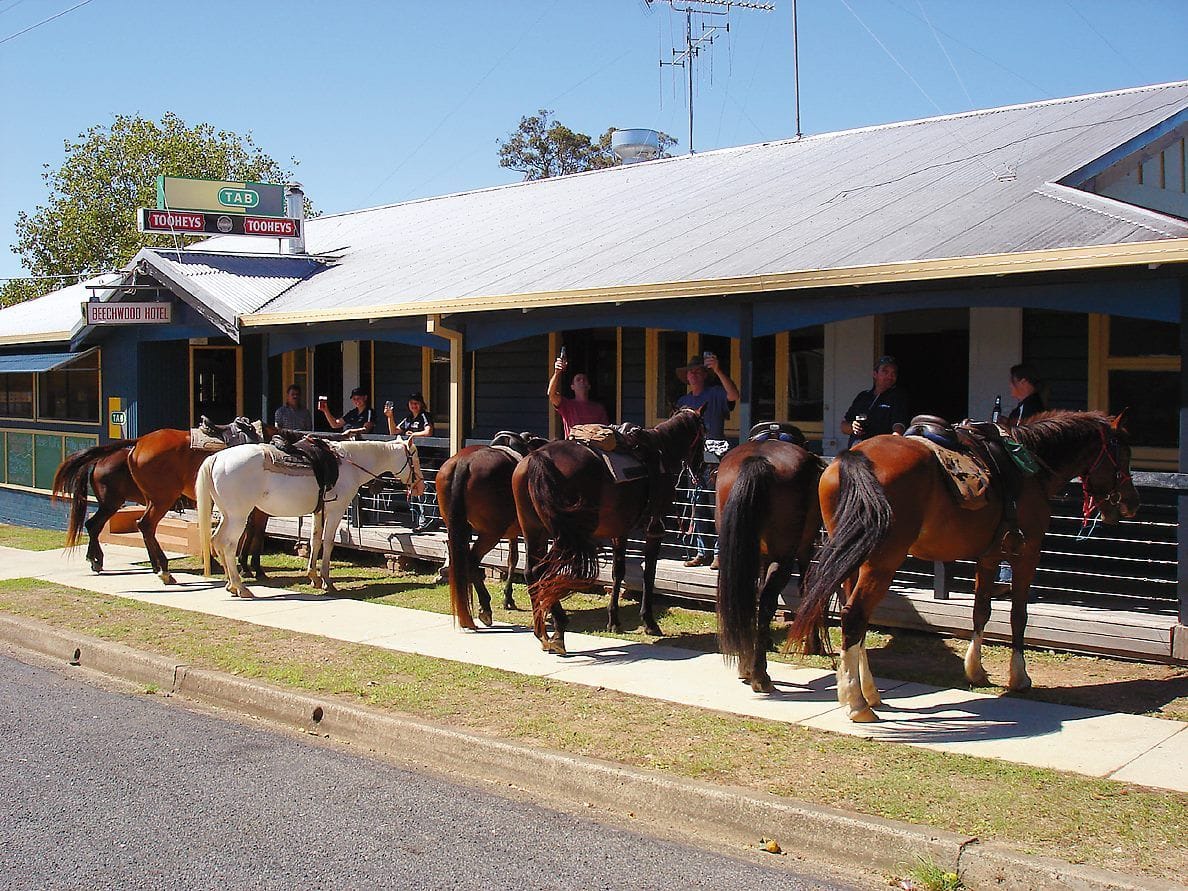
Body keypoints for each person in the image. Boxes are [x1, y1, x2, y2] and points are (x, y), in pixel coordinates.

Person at [674, 353, 740, 569]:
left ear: (704, 375)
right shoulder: (683, 402)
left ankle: (720, 554)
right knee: (697, 504)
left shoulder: (715, 393)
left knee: (717, 505)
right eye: (689, 372)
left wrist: (719, 370)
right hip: (693, 458)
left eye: (697, 371)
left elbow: (733, 395)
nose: (692, 374)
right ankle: (703, 552)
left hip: (716, 457)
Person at [996, 363, 1047, 592]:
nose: (1010, 387)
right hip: (1019, 478)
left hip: (1022, 477)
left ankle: (1009, 579)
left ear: (1024, 383)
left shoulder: (1032, 407)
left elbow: (1023, 440)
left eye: (1013, 382)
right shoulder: (1024, 406)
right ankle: (1005, 577)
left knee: (1013, 523)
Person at [386, 392, 437, 533]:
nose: (413, 406)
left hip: (426, 460)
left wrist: (413, 434)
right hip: (413, 461)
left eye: (416, 403)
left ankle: (429, 521)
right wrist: (390, 417)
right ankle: (422, 520)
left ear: (421, 404)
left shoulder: (425, 416)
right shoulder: (408, 419)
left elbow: (428, 432)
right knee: (416, 489)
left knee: (426, 490)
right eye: (411, 403)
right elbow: (394, 431)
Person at [841, 355, 911, 447]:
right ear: (875, 374)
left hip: (880, 450)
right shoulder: (863, 396)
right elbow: (844, 426)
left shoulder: (898, 397)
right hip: (857, 450)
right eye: (885, 372)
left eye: (893, 373)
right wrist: (852, 427)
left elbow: (898, 427)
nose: (890, 376)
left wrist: (894, 444)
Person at [548, 354, 608, 437]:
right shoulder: (567, 405)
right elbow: (551, 394)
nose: (582, 381)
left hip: (593, 448)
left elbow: (605, 432)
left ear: (589, 386)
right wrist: (557, 373)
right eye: (578, 379)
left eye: (584, 379)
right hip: (572, 447)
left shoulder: (598, 408)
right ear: (572, 387)